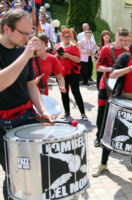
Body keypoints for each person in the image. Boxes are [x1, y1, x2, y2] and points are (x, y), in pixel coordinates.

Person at [0, 9, 54, 199]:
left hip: (26, 118)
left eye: (30, 33)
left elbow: (31, 85)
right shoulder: (23, 53)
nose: (28, 38)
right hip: (3, 124)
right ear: (7, 29)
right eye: (23, 33)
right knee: (14, 172)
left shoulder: (22, 50)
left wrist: (43, 110)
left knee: (34, 166)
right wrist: (25, 55)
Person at [92, 35, 132, 177]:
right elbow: (113, 74)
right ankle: (103, 164)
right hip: (121, 100)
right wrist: (129, 69)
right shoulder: (125, 58)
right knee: (111, 134)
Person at [93, 28, 129, 147]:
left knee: (117, 113)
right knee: (102, 111)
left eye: (125, 40)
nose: (123, 43)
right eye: (120, 40)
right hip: (106, 85)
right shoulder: (106, 49)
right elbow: (98, 67)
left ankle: (114, 136)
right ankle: (99, 135)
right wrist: (112, 70)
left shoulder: (128, 51)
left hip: (120, 86)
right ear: (116, 37)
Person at [54, 28, 88, 121]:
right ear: (62, 37)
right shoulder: (57, 46)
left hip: (72, 72)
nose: (67, 38)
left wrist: (68, 55)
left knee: (76, 92)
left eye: (69, 36)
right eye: (65, 37)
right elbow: (53, 60)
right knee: (64, 92)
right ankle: (66, 112)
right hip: (61, 74)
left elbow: (78, 59)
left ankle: (83, 113)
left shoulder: (74, 47)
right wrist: (57, 55)